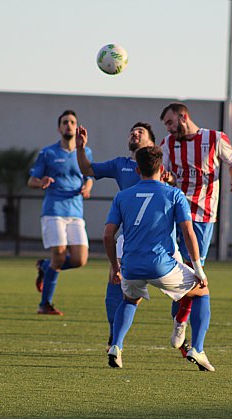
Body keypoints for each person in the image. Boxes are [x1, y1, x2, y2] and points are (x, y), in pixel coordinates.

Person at [103, 145, 215, 371]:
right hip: (160, 265)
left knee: (130, 300)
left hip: (131, 265)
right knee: (202, 292)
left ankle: (116, 346)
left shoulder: (123, 196)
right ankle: (198, 349)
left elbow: (107, 235)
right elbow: (188, 232)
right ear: (162, 169)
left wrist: (116, 266)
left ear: (137, 170)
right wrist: (198, 269)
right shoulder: (174, 194)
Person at [159, 102, 232, 352]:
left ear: (183, 117)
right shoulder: (167, 144)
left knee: (195, 272)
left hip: (204, 215)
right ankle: (182, 325)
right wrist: (167, 177)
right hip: (175, 215)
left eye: (171, 123)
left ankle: (180, 321)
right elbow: (162, 171)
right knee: (178, 272)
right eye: (166, 126)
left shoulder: (214, 139)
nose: (170, 129)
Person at [75, 121, 156, 348]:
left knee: (189, 287)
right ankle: (114, 335)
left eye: (140, 132)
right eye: (132, 131)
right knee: (115, 278)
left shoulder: (163, 165)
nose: (134, 133)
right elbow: (87, 170)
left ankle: (183, 334)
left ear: (152, 141)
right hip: (129, 237)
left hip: (161, 239)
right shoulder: (121, 164)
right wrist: (81, 148)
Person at [28, 110, 93, 316]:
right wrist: (42, 182)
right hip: (54, 209)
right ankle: (44, 304)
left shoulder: (86, 152)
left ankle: (44, 266)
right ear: (59, 128)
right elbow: (31, 180)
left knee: (79, 260)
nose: (69, 125)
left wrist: (88, 186)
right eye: (65, 122)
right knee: (59, 255)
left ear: (77, 127)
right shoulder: (48, 153)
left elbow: (90, 176)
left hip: (75, 211)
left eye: (72, 122)